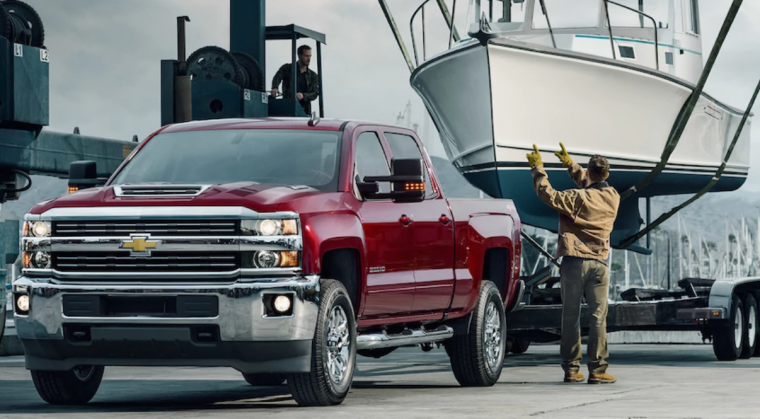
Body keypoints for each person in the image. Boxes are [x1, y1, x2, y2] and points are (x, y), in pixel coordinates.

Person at [526, 143, 620, 385]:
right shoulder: (614, 198)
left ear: (589, 172)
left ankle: (571, 369)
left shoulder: (576, 198)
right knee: (598, 317)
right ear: (607, 174)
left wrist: (538, 168)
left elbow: (547, 194)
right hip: (600, 264)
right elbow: (592, 186)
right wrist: (571, 166)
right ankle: (598, 370)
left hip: (574, 263)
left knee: (571, 316)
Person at [270, 44, 320, 115]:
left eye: (310, 56)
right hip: (288, 107)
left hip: (304, 110)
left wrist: (303, 96)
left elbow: (315, 93)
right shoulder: (288, 68)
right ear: (299, 56)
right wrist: (274, 87)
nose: (309, 59)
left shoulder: (313, 75)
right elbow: (277, 77)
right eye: (306, 56)